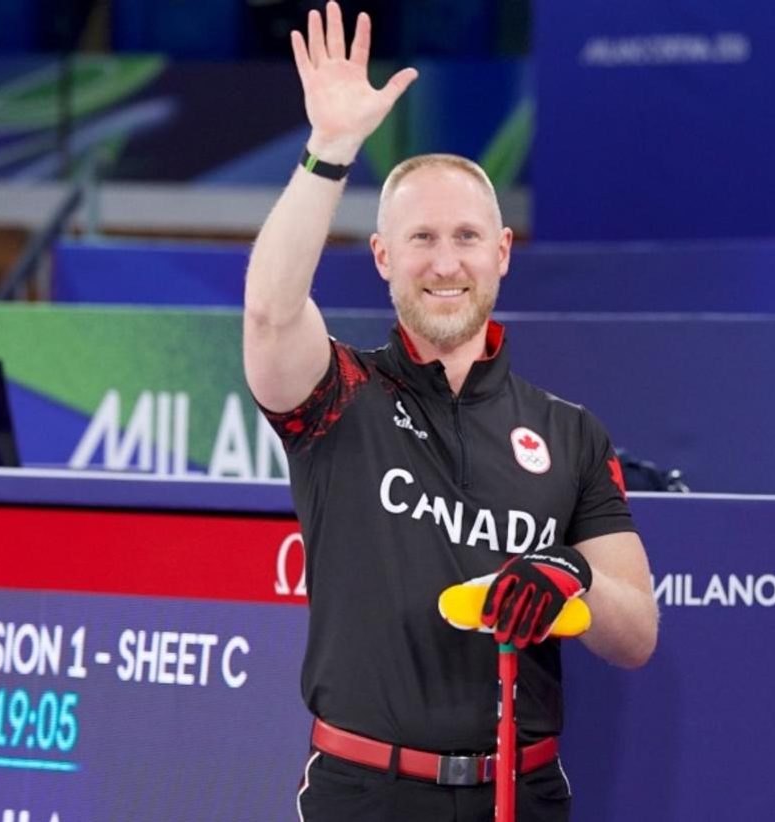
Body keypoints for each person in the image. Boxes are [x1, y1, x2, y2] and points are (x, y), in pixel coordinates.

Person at [243, 5, 658, 819]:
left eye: (467, 237)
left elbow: (636, 632)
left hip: (523, 792)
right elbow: (268, 314)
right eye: (421, 239)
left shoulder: (572, 433)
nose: (445, 263)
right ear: (383, 256)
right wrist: (331, 150)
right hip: (365, 794)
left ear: (501, 254)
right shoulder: (339, 395)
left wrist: (571, 575)